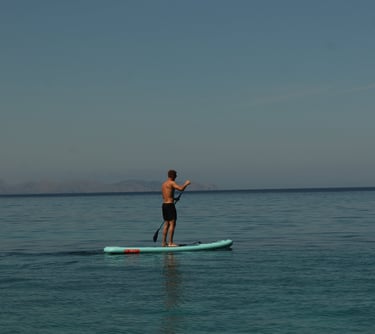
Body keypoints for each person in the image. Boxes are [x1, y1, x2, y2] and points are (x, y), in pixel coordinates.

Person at [161, 170, 191, 247]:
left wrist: (174, 198)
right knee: (172, 223)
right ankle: (170, 243)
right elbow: (180, 188)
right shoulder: (172, 183)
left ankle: (164, 243)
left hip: (164, 205)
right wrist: (186, 184)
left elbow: (166, 196)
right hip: (170, 206)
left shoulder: (164, 184)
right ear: (173, 176)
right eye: (176, 175)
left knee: (166, 223)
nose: (176, 177)